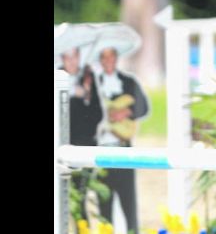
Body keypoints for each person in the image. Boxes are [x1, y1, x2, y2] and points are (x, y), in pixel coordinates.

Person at [94, 47, 150, 233]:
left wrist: (128, 112)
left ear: (116, 59)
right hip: (101, 149)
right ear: (100, 60)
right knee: (104, 202)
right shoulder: (94, 83)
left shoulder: (129, 82)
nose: (108, 61)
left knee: (129, 201)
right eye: (104, 57)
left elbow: (144, 107)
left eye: (112, 57)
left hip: (123, 147)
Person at [58, 47, 103, 223]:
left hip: (83, 145)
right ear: (62, 58)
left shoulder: (89, 78)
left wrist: (85, 95)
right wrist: (71, 94)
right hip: (60, 144)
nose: (71, 61)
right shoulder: (57, 76)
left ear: (78, 57)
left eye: (74, 56)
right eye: (67, 57)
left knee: (80, 198)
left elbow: (97, 115)